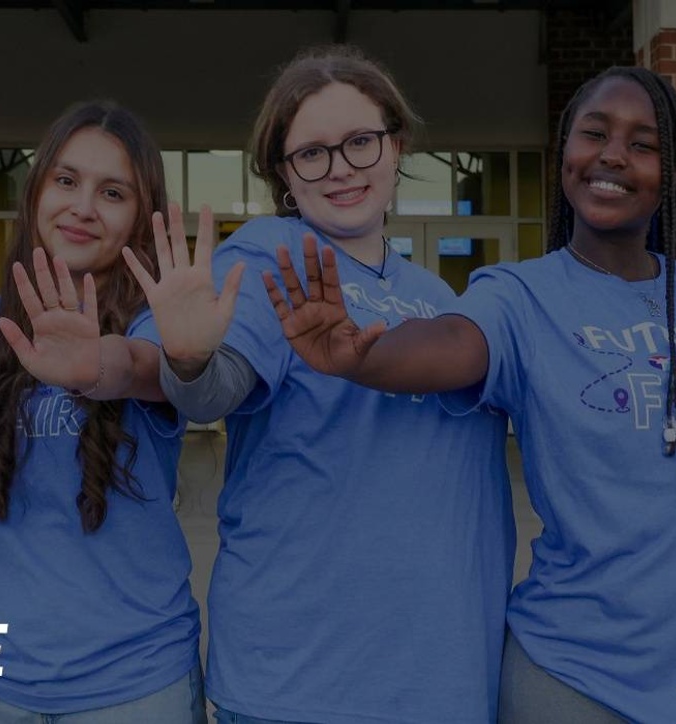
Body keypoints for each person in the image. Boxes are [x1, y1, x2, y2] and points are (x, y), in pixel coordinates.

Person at [264, 66, 676, 723]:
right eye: (592, 134)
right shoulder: (519, 297)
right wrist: (362, 360)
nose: (611, 155)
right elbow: (451, 344)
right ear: (565, 153)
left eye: (643, 144)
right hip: (579, 678)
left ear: (674, 171)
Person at [160, 46, 516, 723]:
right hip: (302, 679)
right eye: (312, 153)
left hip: (436, 673)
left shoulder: (437, 296)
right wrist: (186, 358)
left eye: (360, 142)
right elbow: (211, 391)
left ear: (396, 144)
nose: (341, 169)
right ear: (283, 174)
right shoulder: (271, 256)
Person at [0, 101, 232, 723]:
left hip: (136, 685)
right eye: (66, 181)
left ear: (139, 217)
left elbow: (142, 367)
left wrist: (96, 368)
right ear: (37, 190)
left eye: (112, 192)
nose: (82, 206)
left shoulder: (155, 327)